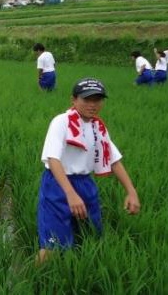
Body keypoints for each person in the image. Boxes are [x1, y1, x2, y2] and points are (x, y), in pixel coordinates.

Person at [36, 78, 140, 263]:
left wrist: (131, 191)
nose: (93, 105)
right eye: (87, 99)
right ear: (74, 100)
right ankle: (33, 284)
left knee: (89, 238)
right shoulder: (62, 122)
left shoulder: (97, 127)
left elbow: (114, 159)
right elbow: (53, 158)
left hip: (85, 184)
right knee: (52, 248)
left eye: (97, 99)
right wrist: (70, 194)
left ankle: (76, 277)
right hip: (58, 186)